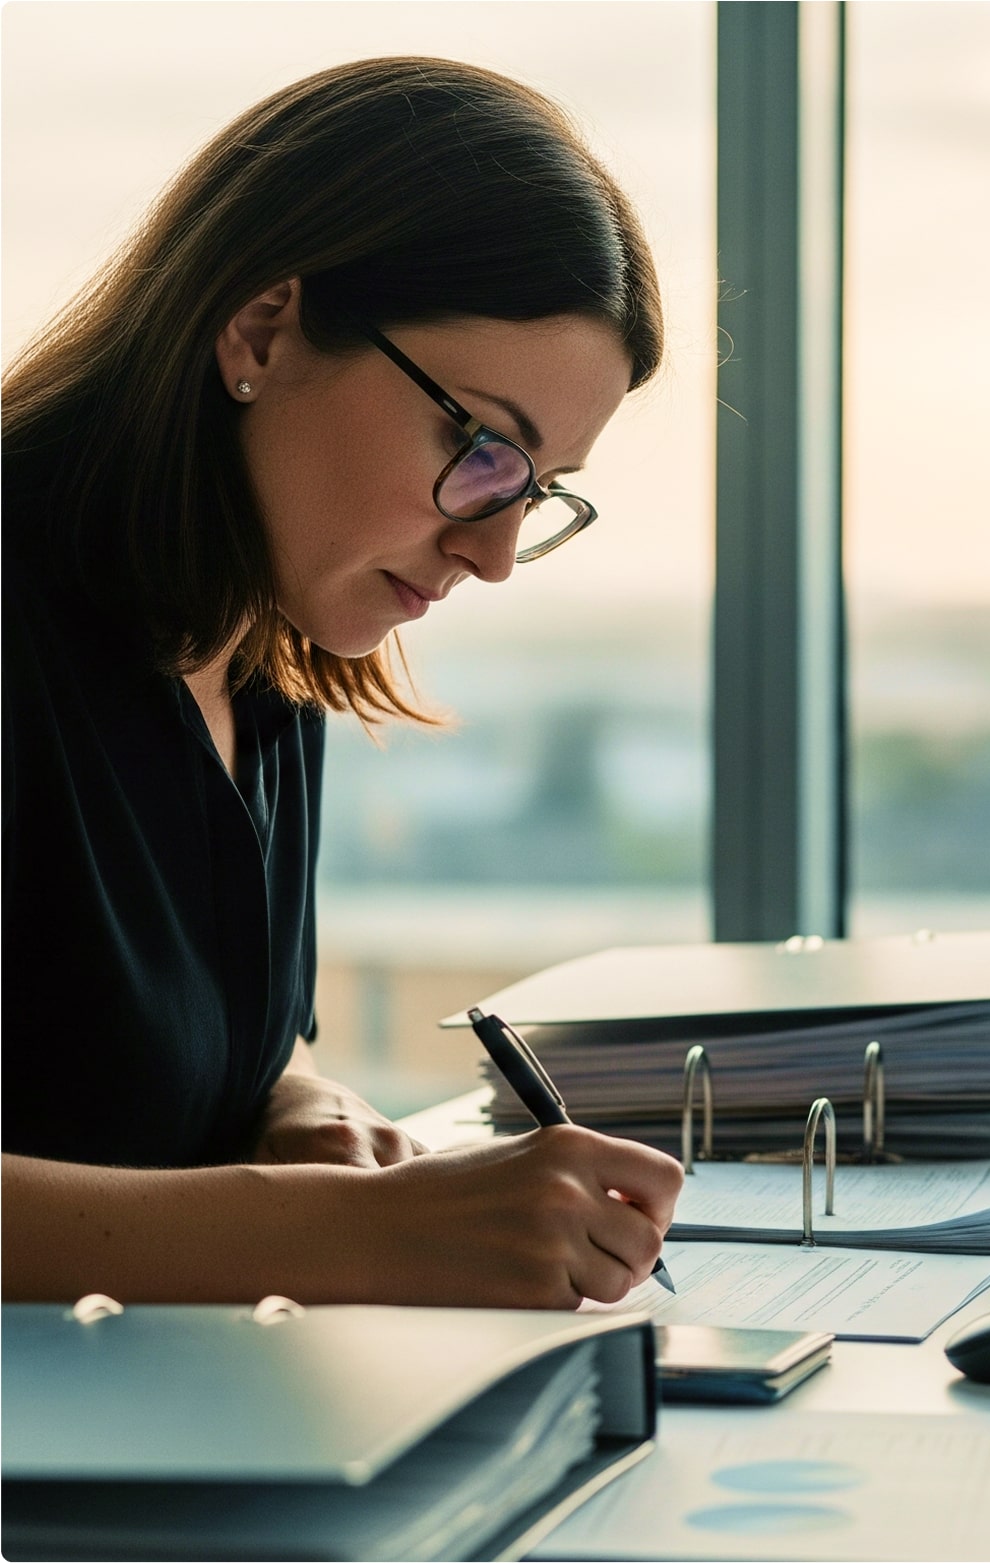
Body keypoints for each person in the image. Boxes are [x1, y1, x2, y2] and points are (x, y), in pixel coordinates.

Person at [2, 58, 684, 1307]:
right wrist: (347, 1234)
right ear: (263, 329)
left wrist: (297, 1104)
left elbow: (120, 1046)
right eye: (481, 450)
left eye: (535, 495)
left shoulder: (264, 657)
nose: (491, 554)